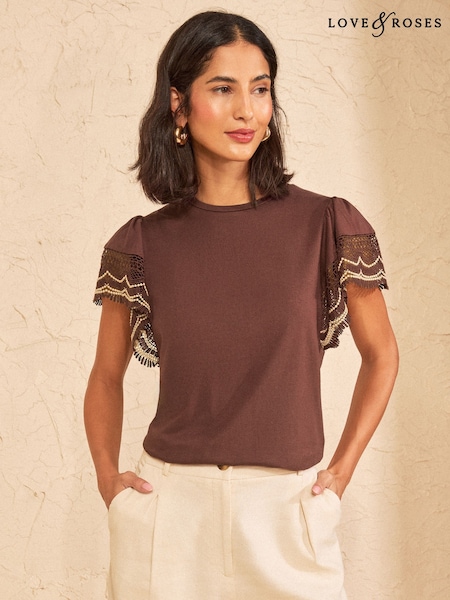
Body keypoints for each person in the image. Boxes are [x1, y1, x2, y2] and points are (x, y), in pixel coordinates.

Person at [84, 11, 399, 600]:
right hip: (170, 517)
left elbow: (382, 355)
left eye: (260, 89)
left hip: (287, 514)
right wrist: (108, 480)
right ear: (179, 105)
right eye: (222, 89)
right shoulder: (142, 242)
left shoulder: (326, 223)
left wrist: (339, 474)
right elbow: (105, 375)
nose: (246, 111)